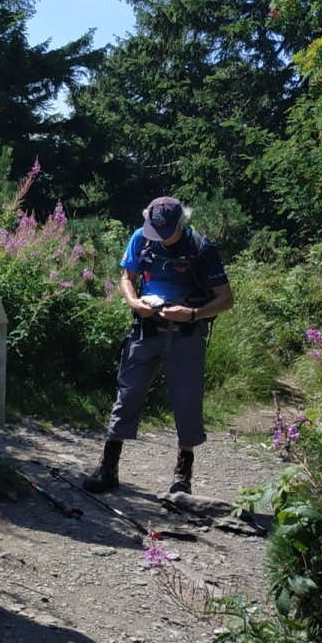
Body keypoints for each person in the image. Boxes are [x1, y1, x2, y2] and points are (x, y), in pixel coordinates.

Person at [83, 195, 233, 497]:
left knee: (186, 401)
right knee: (127, 394)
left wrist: (192, 314)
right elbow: (127, 277)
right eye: (155, 231)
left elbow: (226, 299)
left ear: (181, 222)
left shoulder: (201, 248)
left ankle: (182, 477)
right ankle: (108, 469)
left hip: (187, 334)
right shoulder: (141, 238)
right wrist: (133, 302)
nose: (159, 238)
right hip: (146, 329)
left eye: (166, 232)